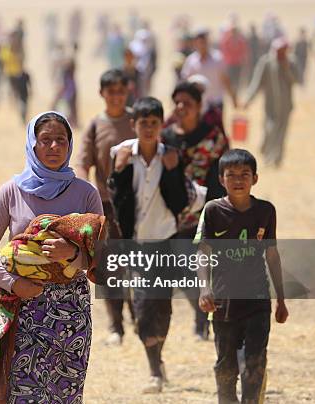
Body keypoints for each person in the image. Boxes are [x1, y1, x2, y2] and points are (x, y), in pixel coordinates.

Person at [0, 111, 103, 402]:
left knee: (65, 392)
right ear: (32, 144)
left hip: (72, 311)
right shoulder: (12, 191)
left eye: (61, 140)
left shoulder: (85, 194)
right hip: (23, 306)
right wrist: (12, 283)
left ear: (70, 145)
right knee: (22, 390)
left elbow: (102, 258)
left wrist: (72, 254)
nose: (54, 147)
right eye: (45, 140)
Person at [109, 97, 206, 393]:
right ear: (133, 125)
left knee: (161, 306)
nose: (148, 128)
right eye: (143, 123)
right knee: (142, 306)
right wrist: (119, 171)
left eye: (154, 123)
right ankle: (154, 370)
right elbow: (118, 201)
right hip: (136, 241)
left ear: (161, 124)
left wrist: (174, 171)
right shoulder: (121, 153)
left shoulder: (172, 155)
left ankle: (158, 357)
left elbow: (179, 203)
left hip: (166, 240)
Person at [195, 149, 289, 404]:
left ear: (255, 178)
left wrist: (280, 299)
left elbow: (272, 254)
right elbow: (202, 253)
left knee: (254, 363)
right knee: (226, 366)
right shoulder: (212, 211)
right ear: (221, 180)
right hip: (223, 302)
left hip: (258, 300)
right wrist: (205, 289)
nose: (238, 180)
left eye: (244, 174)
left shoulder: (266, 211)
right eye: (231, 175)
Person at [162, 81, 230, 339]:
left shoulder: (213, 137)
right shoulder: (166, 137)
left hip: (209, 215)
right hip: (176, 218)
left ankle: (211, 320)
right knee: (182, 271)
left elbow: (224, 175)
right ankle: (201, 314)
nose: (181, 108)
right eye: (177, 102)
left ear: (199, 107)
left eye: (187, 103)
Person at [76, 69, 136, 346]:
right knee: (110, 268)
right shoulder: (95, 125)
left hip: (138, 206)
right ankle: (116, 327)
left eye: (120, 91)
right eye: (110, 92)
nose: (116, 97)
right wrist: (81, 196)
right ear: (102, 94)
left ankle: (140, 319)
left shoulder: (139, 121)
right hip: (106, 207)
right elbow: (83, 163)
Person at [243, 37, 297, 168]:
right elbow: (256, 83)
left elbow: (295, 80)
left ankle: (277, 159)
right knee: (269, 130)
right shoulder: (266, 62)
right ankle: (266, 151)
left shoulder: (291, 62)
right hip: (270, 105)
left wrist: (286, 68)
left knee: (281, 133)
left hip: (286, 106)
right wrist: (248, 99)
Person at [181, 28, 238, 117]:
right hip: (197, 105)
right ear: (195, 43)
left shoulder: (218, 59)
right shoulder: (191, 61)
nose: (202, 45)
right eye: (199, 43)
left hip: (216, 103)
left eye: (204, 42)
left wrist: (233, 98)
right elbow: (186, 82)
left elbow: (226, 80)